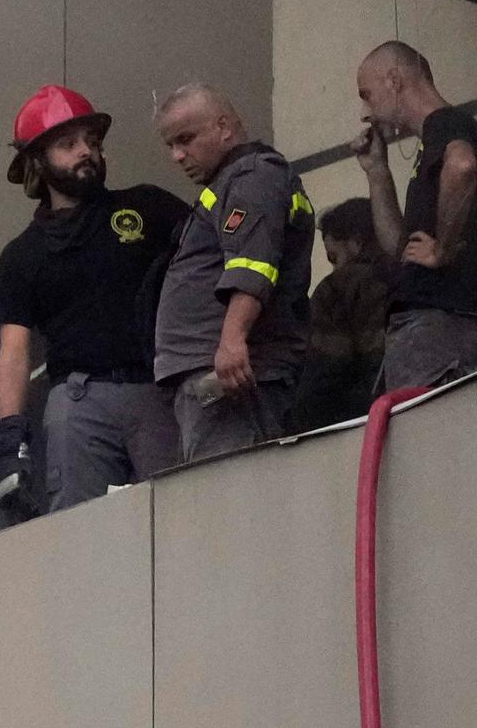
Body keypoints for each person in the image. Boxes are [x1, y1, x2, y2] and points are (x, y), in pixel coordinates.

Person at [0, 84, 185, 512]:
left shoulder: (148, 207)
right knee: (80, 529)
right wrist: (9, 443)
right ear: (37, 160)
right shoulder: (23, 255)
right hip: (79, 402)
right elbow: (14, 354)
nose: (86, 151)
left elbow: (211, 259)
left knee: (179, 516)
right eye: (68, 143)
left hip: (158, 389)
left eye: (92, 141)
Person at [150, 84, 314, 464]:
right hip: (218, 377)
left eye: (185, 139)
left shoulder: (252, 176)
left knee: (227, 498)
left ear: (223, 126)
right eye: (171, 145)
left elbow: (253, 262)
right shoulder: (234, 180)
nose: (178, 155)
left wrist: (232, 339)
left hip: (230, 377)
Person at [358, 40, 477, 393]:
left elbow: (464, 165)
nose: (365, 111)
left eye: (366, 93)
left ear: (394, 80)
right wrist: (377, 171)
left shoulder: (445, 124)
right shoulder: (434, 142)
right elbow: (400, 247)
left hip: (439, 327)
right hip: (434, 326)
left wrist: (441, 250)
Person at [300, 198, 395, 429]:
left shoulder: (337, 289)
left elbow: (325, 374)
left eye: (334, 257)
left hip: (358, 420)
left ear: (356, 243)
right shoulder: (411, 277)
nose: (334, 268)